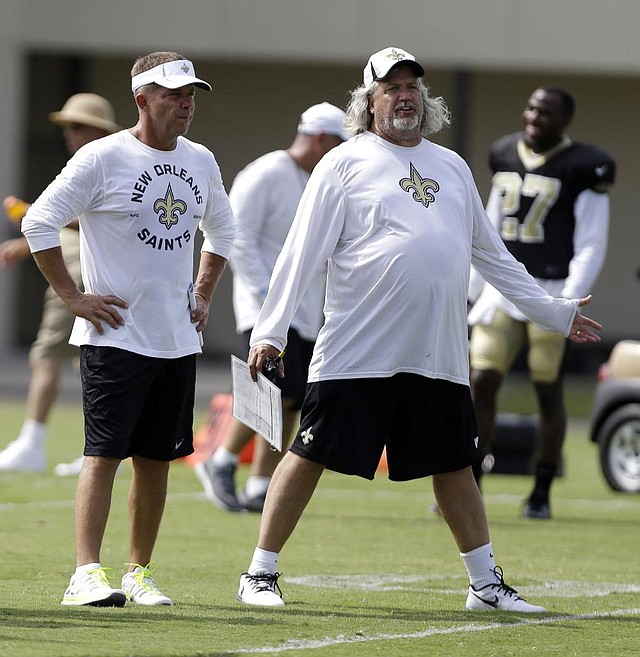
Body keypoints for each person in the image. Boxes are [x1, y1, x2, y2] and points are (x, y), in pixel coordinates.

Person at [233, 47, 602, 612]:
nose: (405, 95)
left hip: (437, 351)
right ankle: (259, 574)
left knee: (455, 463)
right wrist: (270, 331)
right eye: (392, 87)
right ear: (370, 102)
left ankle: (485, 586)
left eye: (413, 86)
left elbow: (493, 256)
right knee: (308, 452)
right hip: (358, 349)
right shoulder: (343, 163)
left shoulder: (451, 166)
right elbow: (300, 254)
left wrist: (555, 310)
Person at [21, 51, 235, 607]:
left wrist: (204, 291)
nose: (187, 104)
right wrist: (72, 296)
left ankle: (139, 572)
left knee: (157, 459)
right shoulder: (102, 157)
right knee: (103, 454)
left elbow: (222, 230)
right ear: (143, 99)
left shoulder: (202, 160)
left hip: (175, 338)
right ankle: (86, 573)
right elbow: (38, 220)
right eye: (174, 95)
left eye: (192, 95)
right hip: (114, 335)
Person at [467, 86, 615, 520]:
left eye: (546, 112)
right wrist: (472, 289)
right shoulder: (504, 153)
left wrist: (569, 300)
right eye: (531, 107)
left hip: (551, 287)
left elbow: (591, 241)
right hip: (502, 287)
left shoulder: (584, 165)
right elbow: (488, 230)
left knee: (547, 388)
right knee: (481, 382)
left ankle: (541, 491)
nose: (534, 117)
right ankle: (470, 483)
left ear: (565, 121)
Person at [195, 102, 348, 512]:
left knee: (293, 396)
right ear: (320, 139)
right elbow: (236, 235)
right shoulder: (266, 172)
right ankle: (222, 459)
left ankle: (261, 484)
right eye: (337, 144)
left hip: (306, 309)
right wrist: (270, 294)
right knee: (271, 386)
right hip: (264, 307)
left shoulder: (314, 179)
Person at [0, 94, 120, 475]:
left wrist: (31, 215)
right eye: (69, 126)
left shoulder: (99, 162)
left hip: (79, 276)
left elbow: (96, 221)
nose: (70, 133)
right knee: (86, 363)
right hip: (86, 270)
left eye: (78, 125)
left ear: (100, 130)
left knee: (51, 357)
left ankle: (38, 444)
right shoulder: (108, 160)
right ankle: (95, 450)